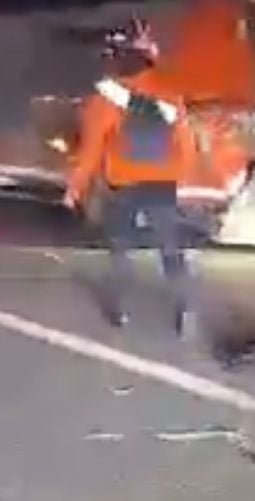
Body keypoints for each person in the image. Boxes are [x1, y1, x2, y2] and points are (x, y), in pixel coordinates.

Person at [64, 20, 201, 337]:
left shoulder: (103, 101)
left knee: (121, 248)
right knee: (171, 248)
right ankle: (184, 311)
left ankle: (120, 311)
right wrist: (181, 175)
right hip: (162, 184)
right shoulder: (169, 95)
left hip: (124, 184)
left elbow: (91, 152)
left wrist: (75, 189)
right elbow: (186, 142)